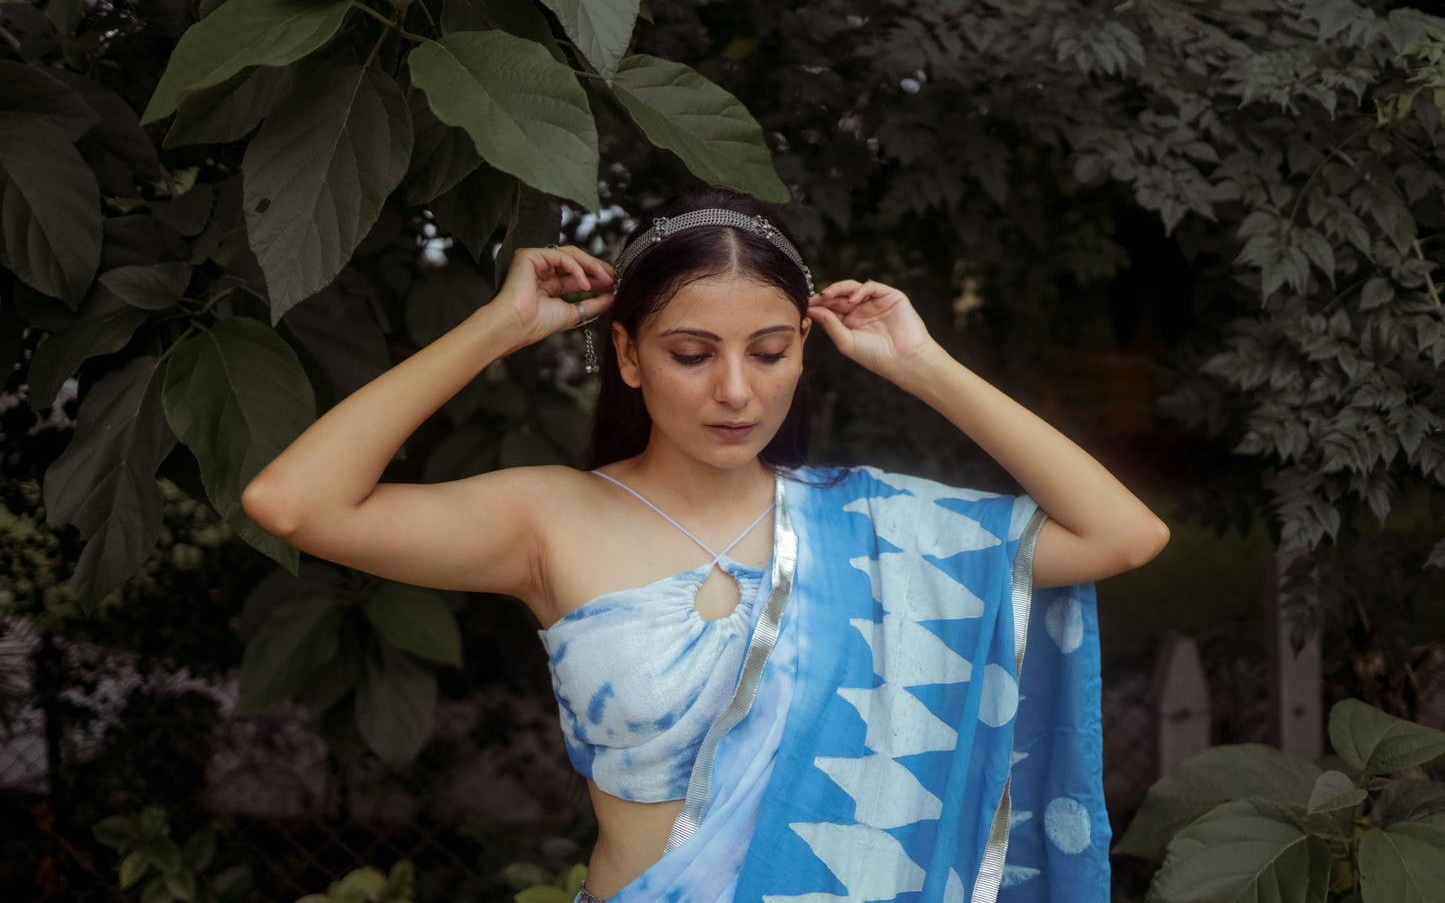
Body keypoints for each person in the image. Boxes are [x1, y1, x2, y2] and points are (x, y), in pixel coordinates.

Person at [241, 187, 1168, 902]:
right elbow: (293, 502)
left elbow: (1124, 533)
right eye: (692, 353)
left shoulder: (879, 528)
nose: (736, 390)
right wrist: (498, 328)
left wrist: (922, 367)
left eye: (770, 352)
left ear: (804, 350)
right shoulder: (548, 520)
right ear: (630, 356)